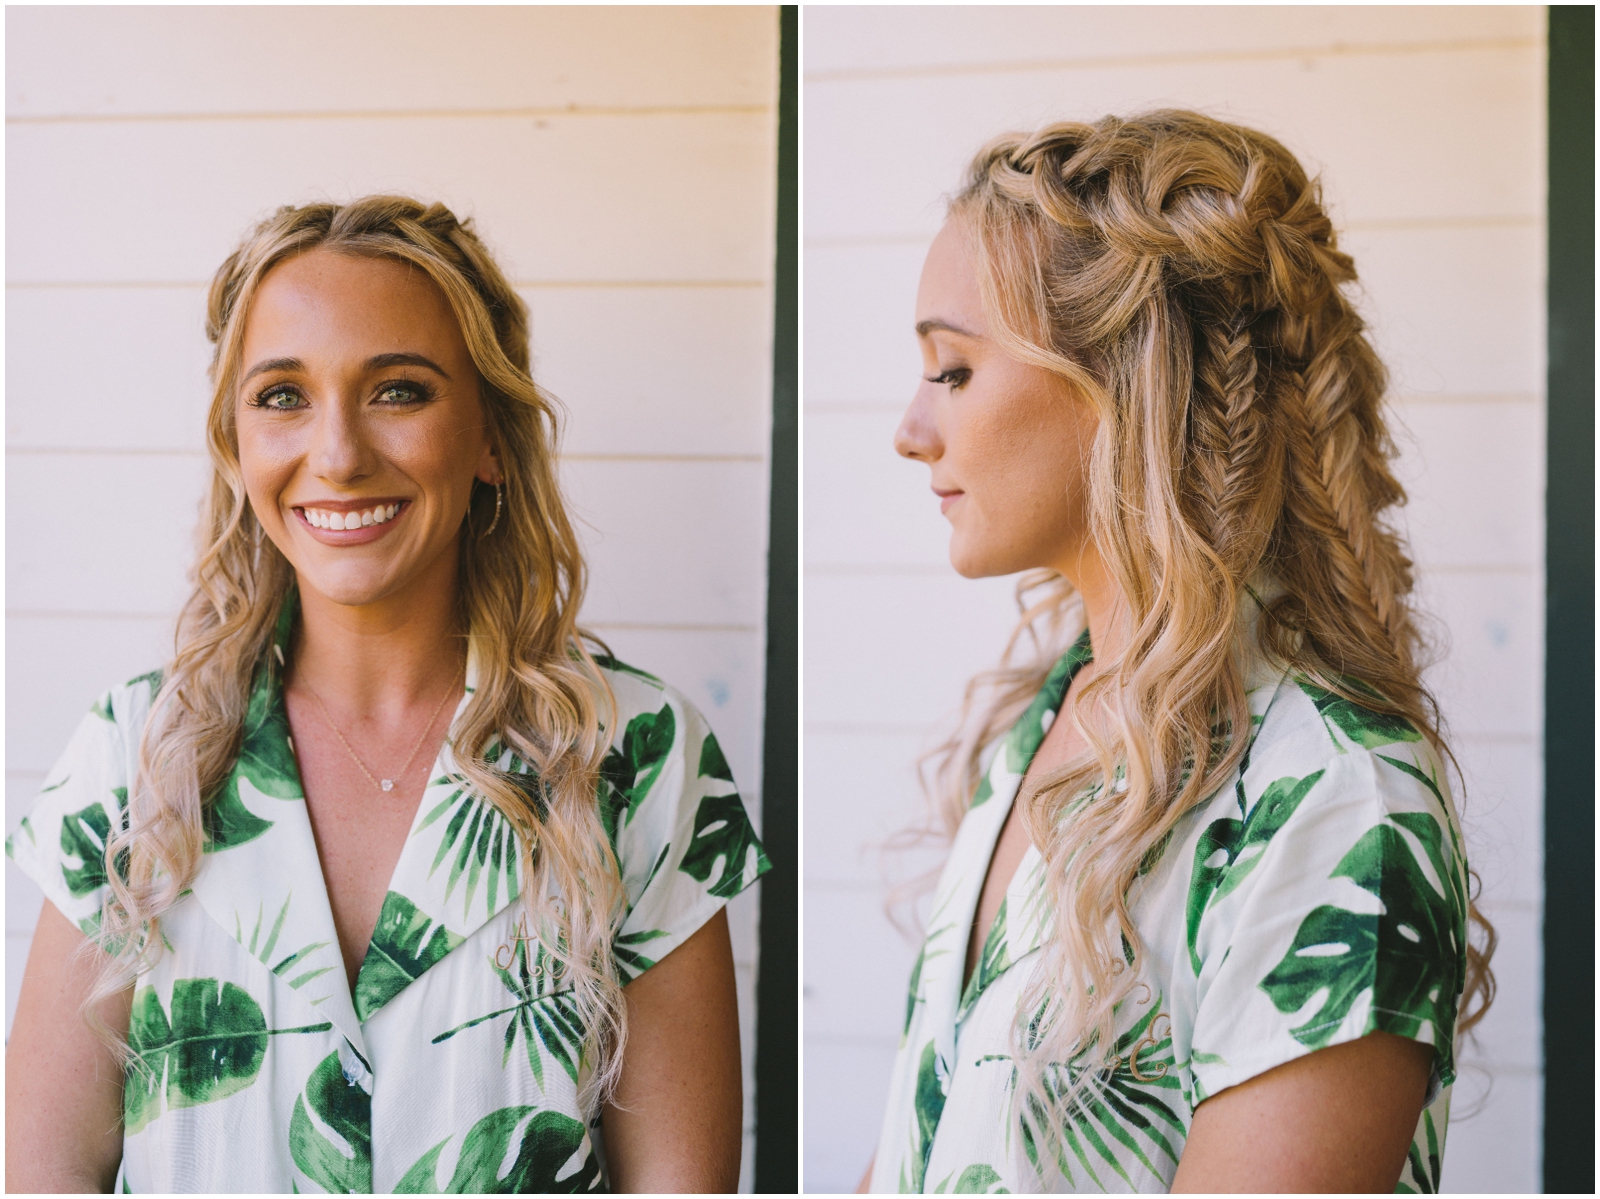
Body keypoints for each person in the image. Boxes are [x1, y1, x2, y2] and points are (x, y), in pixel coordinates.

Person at [6, 197, 768, 1194]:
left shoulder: (634, 752)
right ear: (235, 449)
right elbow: (39, 1169)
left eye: (398, 390)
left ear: (490, 438)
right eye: (282, 396)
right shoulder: (132, 758)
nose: (337, 454)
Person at [861, 112, 1492, 1193]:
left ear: (1123, 382)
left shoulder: (1331, 802)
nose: (910, 428)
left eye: (953, 371)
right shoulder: (1044, 720)